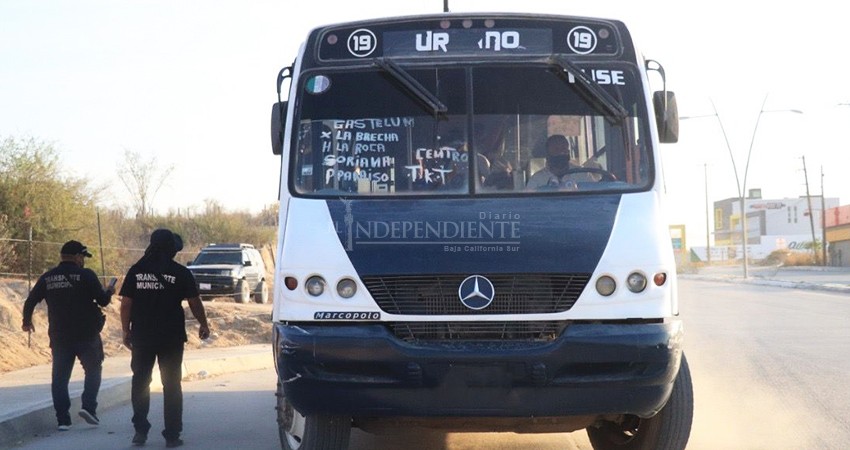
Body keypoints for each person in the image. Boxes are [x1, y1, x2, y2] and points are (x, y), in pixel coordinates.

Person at [120, 229, 210, 448]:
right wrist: (203, 323)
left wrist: (125, 330)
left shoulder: (136, 271)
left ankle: (140, 431)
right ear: (171, 248)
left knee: (140, 382)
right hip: (171, 338)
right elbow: (194, 301)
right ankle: (172, 435)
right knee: (171, 385)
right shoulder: (180, 272)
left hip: (142, 336)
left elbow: (126, 303)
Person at [21, 240, 115, 431]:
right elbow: (103, 301)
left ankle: (63, 419)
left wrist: (26, 321)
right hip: (86, 334)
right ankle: (89, 408)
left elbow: (31, 300)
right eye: (83, 257)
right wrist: (110, 291)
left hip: (60, 335)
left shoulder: (48, 277)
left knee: (60, 377)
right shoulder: (86, 275)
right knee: (93, 370)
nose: (84, 261)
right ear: (77, 257)